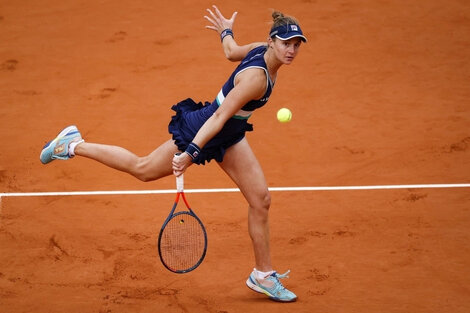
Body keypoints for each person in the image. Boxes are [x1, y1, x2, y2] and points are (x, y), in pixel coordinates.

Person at [40, 5, 307, 302]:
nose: (292, 50)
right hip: (203, 128)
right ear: (271, 41)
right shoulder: (257, 79)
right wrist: (190, 152)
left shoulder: (261, 49)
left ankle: (263, 275)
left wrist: (225, 31)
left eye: (296, 45)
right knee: (143, 169)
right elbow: (217, 119)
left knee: (261, 199)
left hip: (229, 133)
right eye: (286, 44)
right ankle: (73, 144)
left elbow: (231, 52)